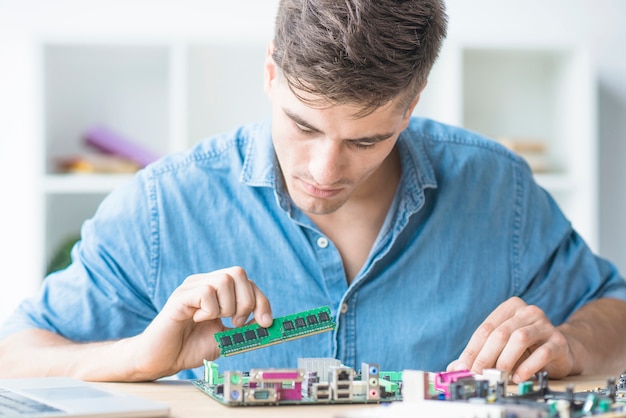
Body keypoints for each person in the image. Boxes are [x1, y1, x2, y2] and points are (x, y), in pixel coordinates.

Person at [1, 0, 626, 383]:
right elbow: (14, 354)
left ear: (410, 106)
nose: (325, 169)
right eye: (304, 125)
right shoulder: (165, 207)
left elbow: (615, 311)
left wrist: (569, 344)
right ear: (272, 72)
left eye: (366, 140)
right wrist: (137, 357)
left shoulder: (496, 190)